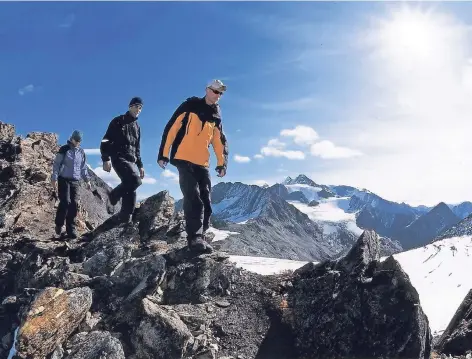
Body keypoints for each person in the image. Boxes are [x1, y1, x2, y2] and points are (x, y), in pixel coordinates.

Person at [157, 80, 229, 253]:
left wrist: (222, 163)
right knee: (193, 198)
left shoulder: (216, 114)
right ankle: (194, 238)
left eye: (221, 93)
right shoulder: (190, 105)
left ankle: (201, 236)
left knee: (207, 202)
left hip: (202, 163)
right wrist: (164, 154)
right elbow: (172, 128)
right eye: (215, 91)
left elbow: (219, 141)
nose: (218, 95)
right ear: (207, 90)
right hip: (183, 158)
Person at [100, 97, 145, 224]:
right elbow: (105, 140)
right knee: (135, 180)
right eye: (136, 106)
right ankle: (113, 196)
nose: (138, 109)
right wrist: (105, 158)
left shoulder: (137, 126)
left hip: (131, 161)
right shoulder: (118, 121)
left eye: (140, 107)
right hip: (118, 157)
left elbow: (137, 148)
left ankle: (125, 219)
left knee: (131, 189)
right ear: (130, 106)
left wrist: (140, 165)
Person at [51, 130, 92, 239]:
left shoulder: (81, 152)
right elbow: (56, 164)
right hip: (63, 179)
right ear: (72, 138)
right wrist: (54, 177)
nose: (78, 142)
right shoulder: (64, 149)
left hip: (76, 181)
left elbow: (83, 168)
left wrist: (87, 180)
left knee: (74, 204)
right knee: (65, 202)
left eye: (79, 141)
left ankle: (71, 229)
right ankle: (59, 224)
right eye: (76, 140)